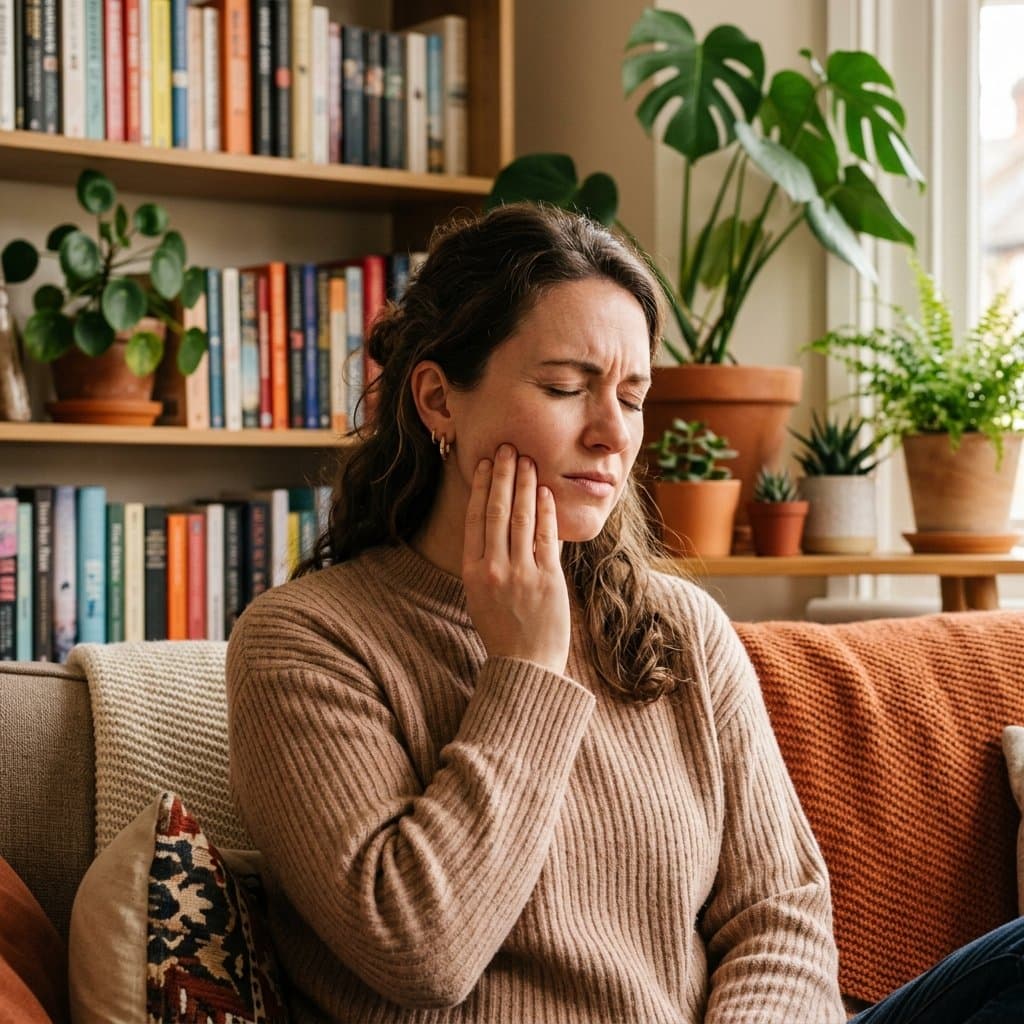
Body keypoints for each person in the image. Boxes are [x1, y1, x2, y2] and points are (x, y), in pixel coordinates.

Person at [226, 203, 1024, 1024]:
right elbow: (422, 952)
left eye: (633, 397)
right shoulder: (306, 642)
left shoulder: (678, 625)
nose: (613, 434)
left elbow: (780, 913)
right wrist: (525, 669)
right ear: (437, 399)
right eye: (566, 387)